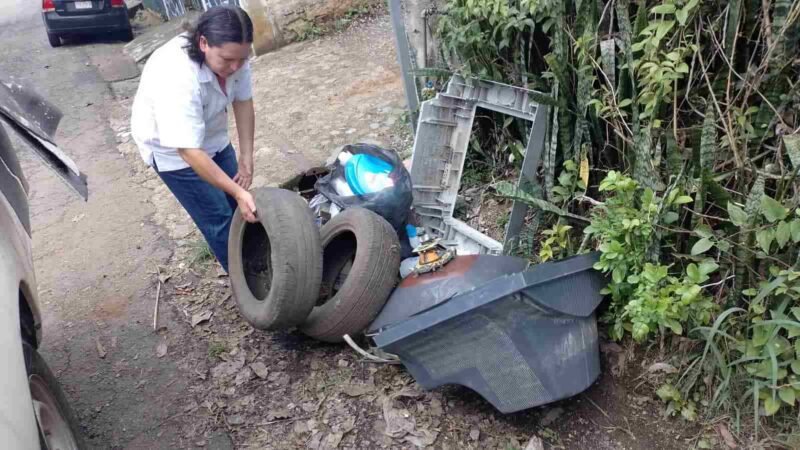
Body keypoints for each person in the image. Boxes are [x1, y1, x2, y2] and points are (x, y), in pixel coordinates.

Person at [131, 6, 258, 272]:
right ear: (203, 43)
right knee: (219, 219)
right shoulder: (176, 76)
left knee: (240, 209)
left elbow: (244, 102)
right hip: (172, 151)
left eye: (242, 59)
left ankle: (257, 260)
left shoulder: (235, 56)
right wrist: (237, 191)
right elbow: (189, 151)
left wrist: (246, 156)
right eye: (227, 60)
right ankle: (245, 284)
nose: (235, 67)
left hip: (212, 135)